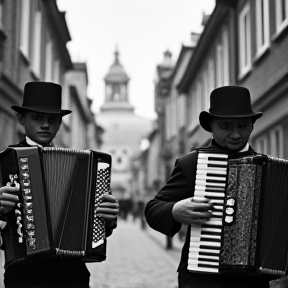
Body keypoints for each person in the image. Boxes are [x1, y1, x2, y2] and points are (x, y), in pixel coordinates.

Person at [145, 86, 279, 288]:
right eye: (226, 126)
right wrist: (173, 211)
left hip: (252, 281)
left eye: (243, 126)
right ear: (211, 126)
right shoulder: (192, 164)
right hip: (204, 280)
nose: (235, 134)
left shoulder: (270, 170)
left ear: (252, 125)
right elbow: (153, 209)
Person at [0, 81, 119, 288]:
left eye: (52, 119)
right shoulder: (4, 162)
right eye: (37, 118)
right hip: (23, 275)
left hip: (72, 274)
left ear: (59, 123)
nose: (45, 125)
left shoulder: (84, 166)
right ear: (21, 118)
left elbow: (97, 226)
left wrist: (107, 219)